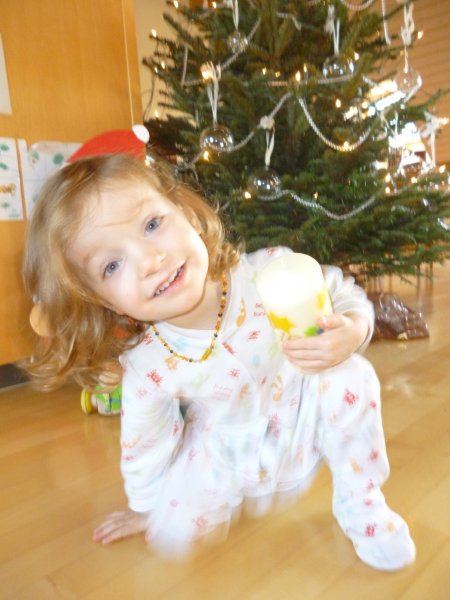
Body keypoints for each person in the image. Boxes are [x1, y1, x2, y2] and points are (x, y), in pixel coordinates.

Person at [23, 153, 415, 571]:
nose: (151, 260)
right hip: (228, 452)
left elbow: (339, 292)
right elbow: (145, 442)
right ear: (106, 301)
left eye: (152, 225)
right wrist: (146, 507)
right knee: (173, 530)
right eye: (113, 265)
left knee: (351, 376)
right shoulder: (145, 363)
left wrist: (352, 329)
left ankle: (360, 500)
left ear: (186, 213)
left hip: (305, 412)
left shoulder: (265, 271)